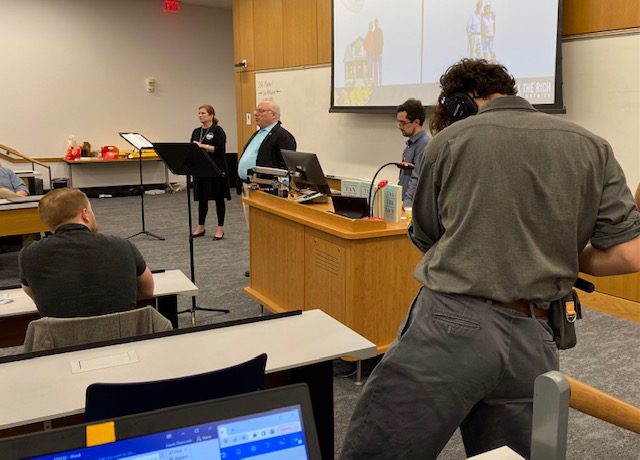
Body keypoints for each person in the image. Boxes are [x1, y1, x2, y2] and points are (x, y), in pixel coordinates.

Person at [340, 59, 640, 459]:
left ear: (461, 102)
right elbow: (629, 252)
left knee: (378, 450)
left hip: (450, 326)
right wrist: (552, 249)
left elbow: (427, 235)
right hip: (536, 334)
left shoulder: (449, 142)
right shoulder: (593, 146)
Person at [19, 188, 155, 318]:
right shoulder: (123, 246)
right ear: (85, 214)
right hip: (122, 337)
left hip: (63, 340)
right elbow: (147, 291)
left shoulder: (29, 254)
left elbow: (36, 295)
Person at [190, 104, 229, 240]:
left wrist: (203, 146)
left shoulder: (218, 130)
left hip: (216, 168)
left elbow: (220, 150)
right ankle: (201, 226)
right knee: (202, 198)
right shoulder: (196, 131)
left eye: (203, 113)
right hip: (201, 169)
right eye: (199, 113)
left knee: (219, 198)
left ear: (211, 115)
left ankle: (220, 228)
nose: (200, 115)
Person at [396, 98, 428, 208]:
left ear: (416, 122)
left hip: (410, 207)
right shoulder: (410, 144)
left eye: (403, 123)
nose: (399, 127)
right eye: (398, 122)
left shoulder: (423, 144)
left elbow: (416, 178)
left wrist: (407, 205)